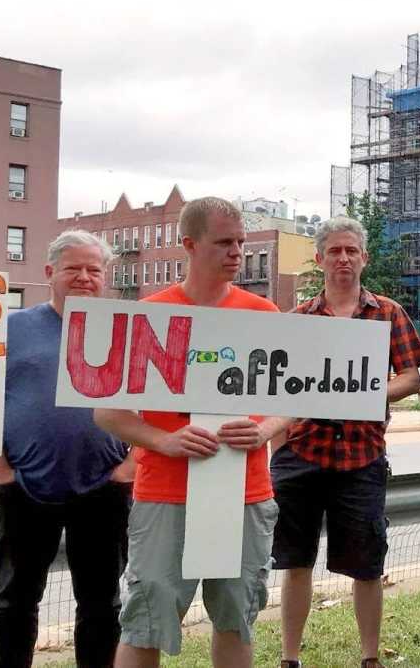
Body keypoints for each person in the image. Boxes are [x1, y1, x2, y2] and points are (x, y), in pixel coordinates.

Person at [95, 197, 288, 667]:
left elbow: (291, 403)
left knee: (236, 617)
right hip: (165, 492)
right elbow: (109, 413)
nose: (237, 252)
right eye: (224, 242)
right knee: (147, 620)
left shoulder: (264, 314)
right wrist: (164, 440)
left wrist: (264, 430)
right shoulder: (148, 315)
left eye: (241, 242)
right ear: (188, 244)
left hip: (244, 492)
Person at [271, 217, 420, 668]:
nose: (343, 258)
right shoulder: (298, 319)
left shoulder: (389, 313)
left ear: (364, 257)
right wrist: (276, 452)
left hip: (362, 457)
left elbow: (413, 377)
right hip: (302, 453)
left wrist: (367, 392)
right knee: (295, 561)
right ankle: (289, 657)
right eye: (334, 251)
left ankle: (370, 656)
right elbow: (278, 389)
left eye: (350, 251)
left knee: (367, 564)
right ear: (319, 260)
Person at [0, 231, 133, 667]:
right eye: (74, 268)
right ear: (50, 272)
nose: (84, 278)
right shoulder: (9, 329)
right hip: (23, 485)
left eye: (94, 270)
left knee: (101, 603)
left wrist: (132, 463)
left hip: (104, 486)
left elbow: (159, 404)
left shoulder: (124, 332)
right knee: (14, 600)